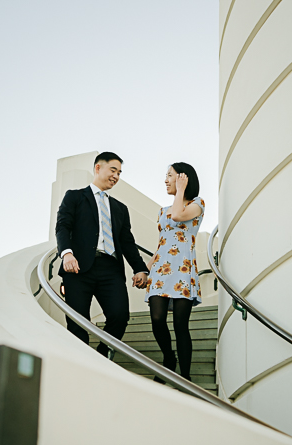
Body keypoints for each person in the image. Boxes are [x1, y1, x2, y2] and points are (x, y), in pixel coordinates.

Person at [55, 152, 149, 357]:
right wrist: (67, 254)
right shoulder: (75, 196)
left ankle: (103, 352)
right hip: (78, 267)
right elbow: (63, 226)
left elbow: (127, 242)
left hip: (110, 270)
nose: (116, 176)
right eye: (113, 170)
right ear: (98, 168)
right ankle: (82, 362)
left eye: (119, 173)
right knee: (77, 320)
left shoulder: (120, 209)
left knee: (120, 315)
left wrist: (140, 268)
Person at [145, 163, 205, 382]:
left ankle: (185, 377)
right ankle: (169, 358)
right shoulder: (162, 211)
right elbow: (161, 243)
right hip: (161, 269)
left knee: (181, 325)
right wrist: (146, 269)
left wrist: (180, 190)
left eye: (169, 176)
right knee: (157, 318)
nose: (166, 180)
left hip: (182, 270)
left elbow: (179, 216)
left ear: (183, 178)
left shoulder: (197, 204)